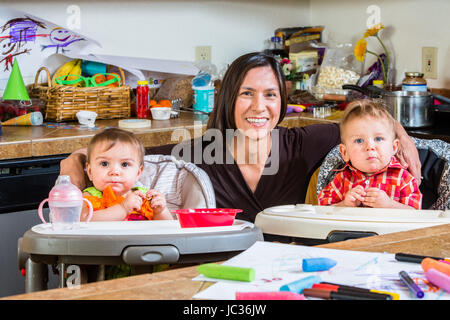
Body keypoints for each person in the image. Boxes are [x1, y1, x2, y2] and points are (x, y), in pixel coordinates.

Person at [60, 52, 421, 238]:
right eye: (247, 94)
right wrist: (72, 162)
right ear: (229, 98)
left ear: (282, 101)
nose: (259, 107)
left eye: (270, 95)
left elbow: (365, 124)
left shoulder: (306, 142)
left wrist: (400, 133)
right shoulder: (198, 152)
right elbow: (122, 156)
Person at [317, 100, 422, 209]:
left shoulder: (404, 179)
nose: (370, 147)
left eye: (378, 138)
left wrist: (390, 205)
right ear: (345, 152)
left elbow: (415, 214)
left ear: (394, 147)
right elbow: (322, 211)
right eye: (359, 141)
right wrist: (344, 205)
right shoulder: (341, 180)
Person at [81, 127, 173, 221]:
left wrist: (160, 212)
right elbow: (84, 221)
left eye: (124, 164)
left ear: (138, 172)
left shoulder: (143, 197)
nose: (114, 172)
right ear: (90, 171)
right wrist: (123, 208)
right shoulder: (88, 197)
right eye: (104, 164)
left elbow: (167, 228)